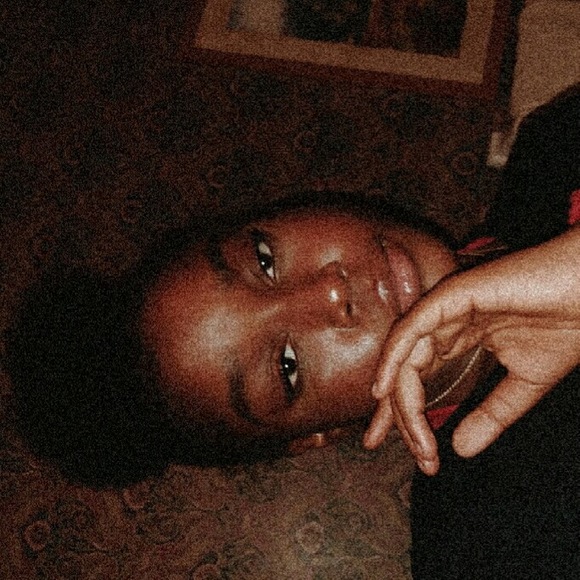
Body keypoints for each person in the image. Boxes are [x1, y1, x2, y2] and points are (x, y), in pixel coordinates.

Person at [365, 85, 580, 577]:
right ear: (321, 435)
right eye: (287, 365)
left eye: (265, 260)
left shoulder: (551, 141)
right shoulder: (475, 547)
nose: (331, 296)